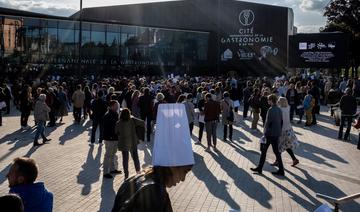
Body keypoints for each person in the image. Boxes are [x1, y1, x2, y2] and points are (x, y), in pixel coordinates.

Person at [112, 103, 194, 212]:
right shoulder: (156, 193)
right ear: (173, 166)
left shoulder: (132, 179)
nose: (183, 179)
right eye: (184, 171)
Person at [251, 94, 285, 176]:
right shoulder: (279, 109)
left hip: (270, 134)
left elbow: (268, 123)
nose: (267, 101)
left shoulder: (271, 109)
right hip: (276, 133)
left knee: (264, 151)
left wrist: (265, 133)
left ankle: (260, 168)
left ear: (271, 100)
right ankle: (281, 170)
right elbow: (281, 121)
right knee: (276, 152)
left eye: (268, 100)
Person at [115, 108, 144, 179]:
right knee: (135, 157)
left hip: (124, 143)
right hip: (133, 141)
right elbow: (142, 122)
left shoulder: (118, 123)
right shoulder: (132, 120)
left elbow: (116, 132)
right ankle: (138, 171)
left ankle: (126, 175)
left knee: (125, 159)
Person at [271, 97, 299, 167]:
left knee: (279, 146)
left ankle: (277, 161)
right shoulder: (288, 108)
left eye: (278, 101)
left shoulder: (280, 110)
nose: (277, 102)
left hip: (282, 130)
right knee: (286, 145)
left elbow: (279, 120)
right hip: (289, 129)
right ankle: (294, 159)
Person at [102, 100, 122, 179]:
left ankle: (112, 169)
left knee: (113, 154)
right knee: (108, 155)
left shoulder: (116, 114)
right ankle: (105, 172)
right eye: (116, 105)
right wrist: (110, 136)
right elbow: (106, 128)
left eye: (117, 105)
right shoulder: (107, 115)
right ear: (111, 106)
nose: (117, 107)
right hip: (109, 138)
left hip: (115, 138)